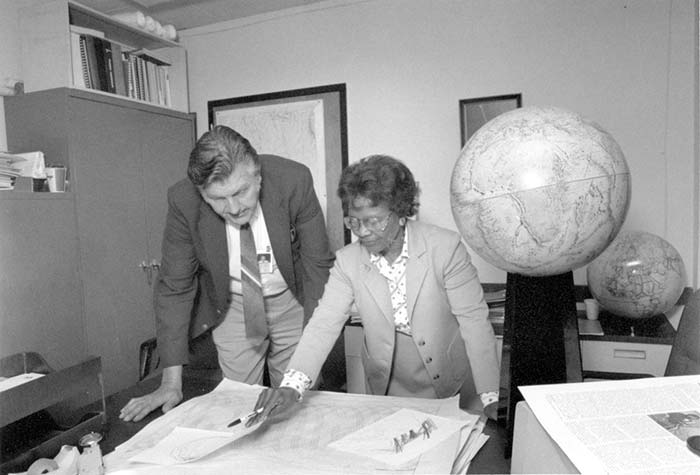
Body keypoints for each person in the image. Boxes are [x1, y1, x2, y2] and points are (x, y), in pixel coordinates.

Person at [247, 154, 500, 426]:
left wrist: (491, 395)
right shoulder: (348, 261)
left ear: (401, 212)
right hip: (386, 383)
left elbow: (474, 321)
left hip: (450, 379)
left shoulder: (445, 248)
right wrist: (291, 386)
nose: (362, 232)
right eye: (353, 221)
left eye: (374, 220)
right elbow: (323, 324)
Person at [120, 125, 334, 422]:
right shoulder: (183, 200)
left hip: (292, 300)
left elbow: (318, 266)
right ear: (201, 192)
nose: (233, 208)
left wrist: (314, 344)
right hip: (232, 304)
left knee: (297, 402)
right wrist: (170, 383)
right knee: (239, 405)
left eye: (241, 191)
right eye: (218, 199)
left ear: (257, 175)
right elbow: (175, 287)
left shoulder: (293, 180)